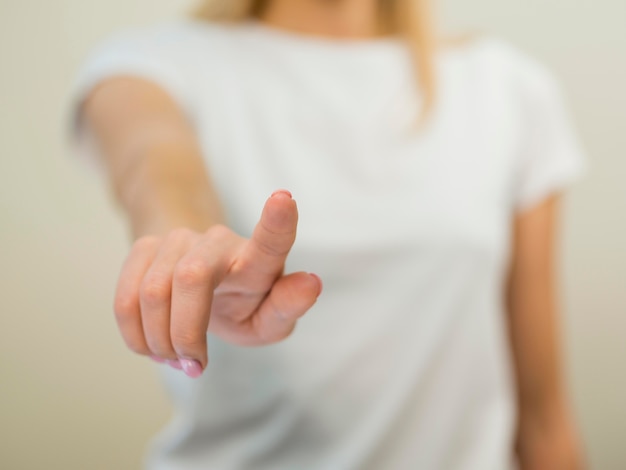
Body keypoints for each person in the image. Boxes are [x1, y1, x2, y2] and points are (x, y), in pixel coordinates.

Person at [71, 0, 586, 468]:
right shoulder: (149, 66)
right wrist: (185, 239)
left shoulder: (506, 88)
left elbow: (543, 420)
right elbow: (155, 161)